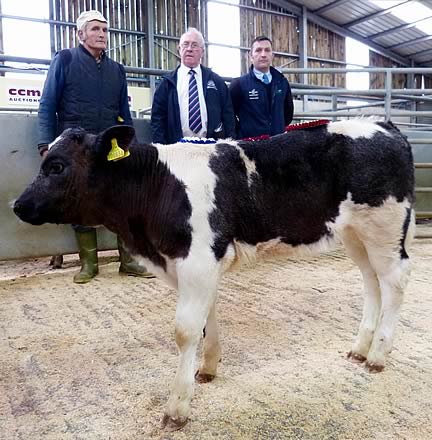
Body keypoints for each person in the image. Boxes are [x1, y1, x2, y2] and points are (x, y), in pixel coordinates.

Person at [37, 10, 153, 283]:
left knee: (121, 199)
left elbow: (124, 112)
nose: (101, 34)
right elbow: (47, 105)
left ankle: (128, 260)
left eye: (104, 29)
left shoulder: (117, 70)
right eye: (95, 29)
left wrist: (130, 144)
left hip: (109, 145)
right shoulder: (64, 60)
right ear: (81, 34)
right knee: (79, 200)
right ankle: (88, 264)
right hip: (75, 147)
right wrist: (45, 145)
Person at [151, 27, 235, 144]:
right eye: (185, 45)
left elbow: (228, 117)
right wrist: (161, 149)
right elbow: (157, 119)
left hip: (211, 150)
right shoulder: (166, 83)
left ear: (202, 51)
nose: (189, 49)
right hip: (177, 150)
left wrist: (229, 147)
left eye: (194, 45)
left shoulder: (217, 82)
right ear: (179, 49)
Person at [229, 36, 294, 139]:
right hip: (251, 147)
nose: (263, 54)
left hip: (278, 145)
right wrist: (242, 135)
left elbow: (288, 114)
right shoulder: (238, 85)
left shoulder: (282, 82)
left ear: (272, 56)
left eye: (267, 50)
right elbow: (229, 116)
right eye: (258, 50)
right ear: (251, 57)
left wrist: (277, 129)